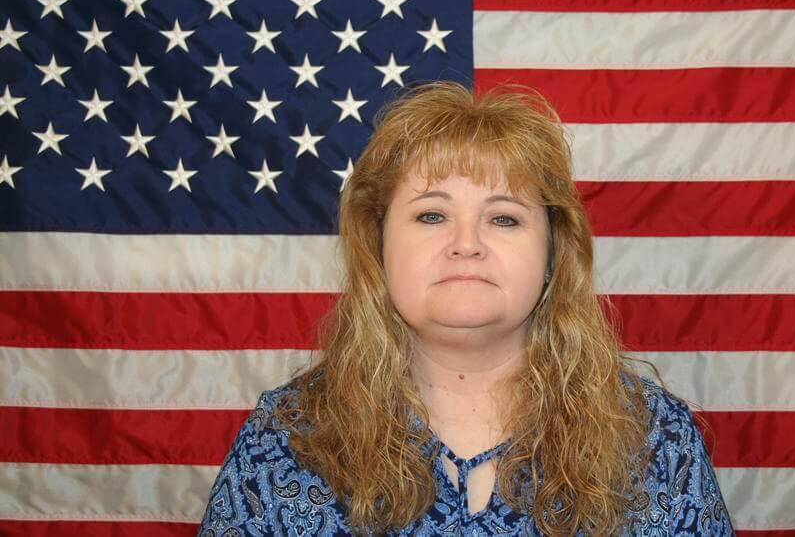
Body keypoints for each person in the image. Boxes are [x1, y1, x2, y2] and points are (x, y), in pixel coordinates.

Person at [198, 82, 734, 536]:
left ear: (553, 252)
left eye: (504, 218)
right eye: (432, 216)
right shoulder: (289, 435)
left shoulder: (652, 437)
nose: (466, 244)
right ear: (377, 244)